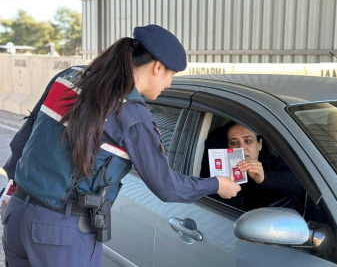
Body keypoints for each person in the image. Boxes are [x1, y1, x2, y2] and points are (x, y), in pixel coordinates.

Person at [2, 25, 240, 267]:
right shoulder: (132, 116)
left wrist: (13, 190)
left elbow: (23, 140)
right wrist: (217, 184)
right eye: (171, 74)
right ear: (158, 67)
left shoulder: (68, 78)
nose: (169, 84)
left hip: (17, 215)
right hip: (58, 235)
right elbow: (166, 186)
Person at [201, 121, 304, 212]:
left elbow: (300, 184)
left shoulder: (271, 162)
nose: (241, 147)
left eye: (248, 141)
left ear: (259, 144)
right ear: (228, 147)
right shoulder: (221, 172)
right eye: (234, 142)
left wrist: (265, 178)